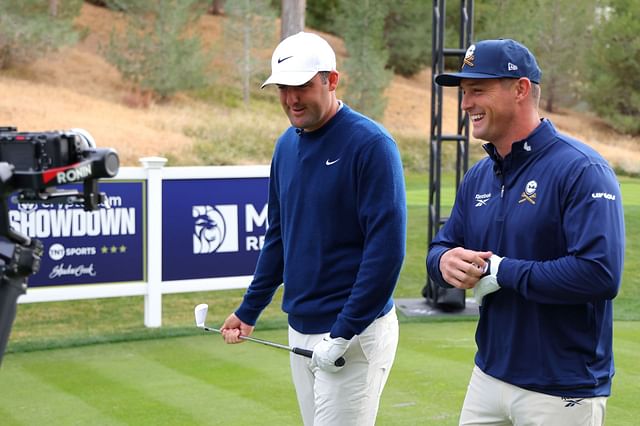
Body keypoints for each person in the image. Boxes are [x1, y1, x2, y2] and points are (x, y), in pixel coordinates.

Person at [426, 39, 625, 425]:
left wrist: (501, 271)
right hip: (488, 375)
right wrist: (444, 261)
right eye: (464, 93)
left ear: (520, 89)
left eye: (477, 90)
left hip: (561, 386)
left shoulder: (582, 169)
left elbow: (600, 273)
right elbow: (442, 245)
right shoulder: (479, 175)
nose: (465, 104)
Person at [221, 31, 406, 426]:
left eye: (301, 86)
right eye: (283, 89)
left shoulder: (371, 145)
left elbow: (386, 253)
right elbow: (279, 235)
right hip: (299, 328)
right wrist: (249, 309)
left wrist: (344, 330)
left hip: (355, 332)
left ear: (331, 80)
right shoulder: (285, 145)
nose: (291, 99)